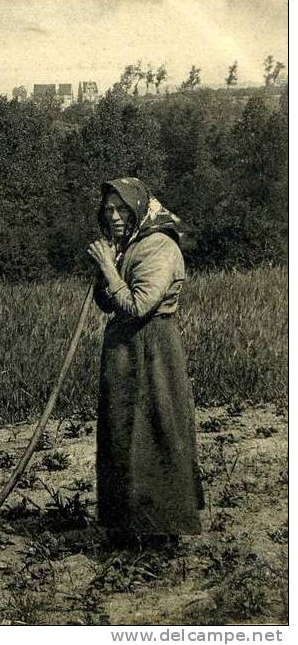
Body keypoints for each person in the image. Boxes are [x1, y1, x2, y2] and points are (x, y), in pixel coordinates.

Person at [86, 177, 204, 548]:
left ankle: (161, 529)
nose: (115, 217)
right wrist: (105, 270)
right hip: (123, 351)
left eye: (122, 209)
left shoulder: (158, 246)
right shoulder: (128, 246)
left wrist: (108, 268)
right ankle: (126, 523)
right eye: (108, 210)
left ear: (138, 207)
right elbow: (107, 304)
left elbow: (139, 306)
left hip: (153, 349)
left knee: (155, 430)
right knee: (121, 433)